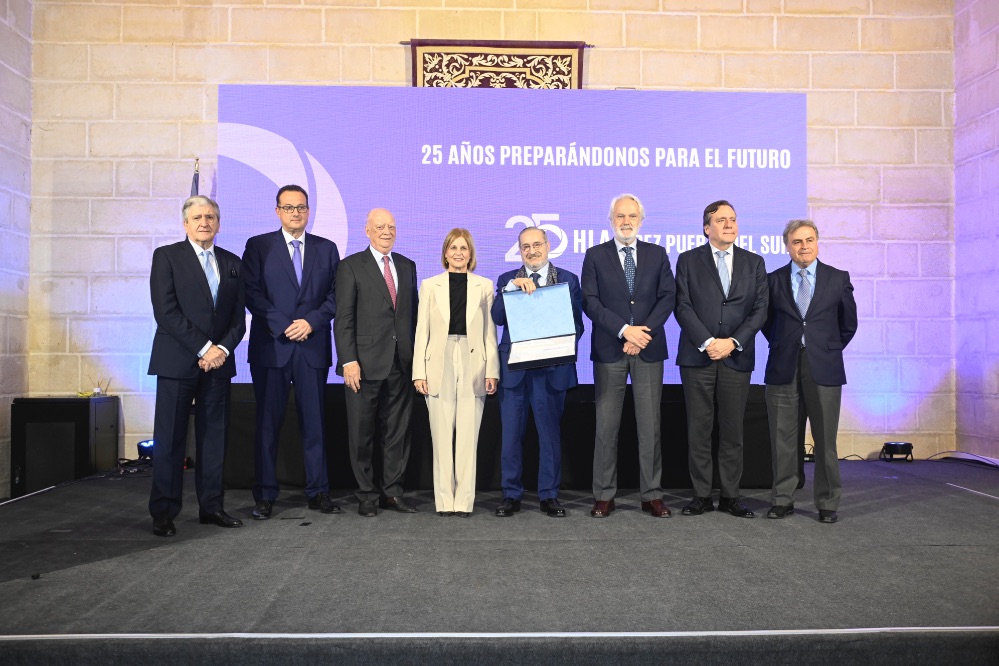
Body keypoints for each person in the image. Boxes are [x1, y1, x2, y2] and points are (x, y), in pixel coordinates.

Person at [148, 195, 246, 536]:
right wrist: (204, 348)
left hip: (218, 365)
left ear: (218, 223)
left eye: (210, 216)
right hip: (177, 362)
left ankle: (212, 508)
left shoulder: (233, 262)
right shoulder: (167, 257)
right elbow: (166, 312)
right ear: (186, 223)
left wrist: (221, 350)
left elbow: (238, 319)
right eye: (198, 217)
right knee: (170, 440)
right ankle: (164, 512)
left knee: (213, 440)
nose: (205, 222)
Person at [242, 185, 340, 519]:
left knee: (315, 425)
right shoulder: (258, 246)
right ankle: (266, 495)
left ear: (308, 211)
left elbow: (335, 296)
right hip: (273, 346)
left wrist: (310, 322)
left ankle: (318, 491)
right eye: (288, 207)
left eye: (300, 207)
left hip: (311, 348)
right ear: (277, 211)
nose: (295, 213)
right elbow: (251, 292)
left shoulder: (327, 249)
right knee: (268, 425)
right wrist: (284, 324)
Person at [581, 194, 676, 519]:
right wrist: (624, 330)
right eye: (620, 216)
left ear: (641, 220)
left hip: (648, 349)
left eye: (632, 216)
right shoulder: (595, 255)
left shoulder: (657, 254)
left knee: (650, 426)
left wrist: (641, 333)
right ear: (611, 221)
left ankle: (651, 495)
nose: (626, 221)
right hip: (611, 349)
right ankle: (604, 495)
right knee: (606, 426)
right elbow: (590, 302)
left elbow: (667, 297)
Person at [674, 199, 768, 519]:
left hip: (736, 357)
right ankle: (701, 495)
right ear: (706, 228)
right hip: (698, 357)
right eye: (721, 220)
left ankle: (730, 496)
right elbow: (682, 306)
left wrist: (733, 342)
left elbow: (760, 310)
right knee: (698, 431)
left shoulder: (754, 263)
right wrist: (708, 341)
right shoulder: (687, 261)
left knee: (732, 432)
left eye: (733, 219)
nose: (729, 224)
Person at [762, 219, 857, 524]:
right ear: (786, 246)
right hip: (783, 365)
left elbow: (848, 324)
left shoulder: (837, 278)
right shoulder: (772, 280)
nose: (804, 246)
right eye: (797, 242)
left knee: (826, 440)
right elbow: (766, 322)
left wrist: (824, 347)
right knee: (783, 438)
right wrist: (787, 344)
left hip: (824, 368)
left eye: (809, 240)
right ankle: (782, 499)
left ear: (817, 242)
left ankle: (828, 502)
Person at [491, 227, 584, 518]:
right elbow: (496, 317)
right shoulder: (507, 280)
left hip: (551, 370)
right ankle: (510, 494)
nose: (532, 251)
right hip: (515, 371)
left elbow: (577, 326)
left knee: (549, 436)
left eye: (537, 245)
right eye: (525, 246)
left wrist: (556, 346)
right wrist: (510, 291)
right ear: (520, 251)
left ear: (547, 246)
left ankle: (549, 495)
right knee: (511, 436)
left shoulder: (568, 280)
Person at [334, 208, 419, 517]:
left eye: (392, 227)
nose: (387, 231)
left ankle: (392, 493)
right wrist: (348, 361)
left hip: (402, 364)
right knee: (362, 432)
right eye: (380, 226)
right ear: (366, 230)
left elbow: (413, 316)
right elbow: (343, 319)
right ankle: (367, 495)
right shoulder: (350, 266)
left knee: (398, 431)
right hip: (364, 364)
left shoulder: (408, 266)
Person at [412, 228, 499, 517]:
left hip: (474, 360)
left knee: (467, 437)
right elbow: (421, 331)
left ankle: (463, 503)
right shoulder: (429, 285)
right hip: (439, 359)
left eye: (464, 248)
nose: (458, 253)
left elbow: (489, 333)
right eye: (453, 248)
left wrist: (492, 370)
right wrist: (418, 373)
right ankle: (444, 502)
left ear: (471, 253)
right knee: (441, 434)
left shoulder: (484, 286)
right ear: (445, 252)